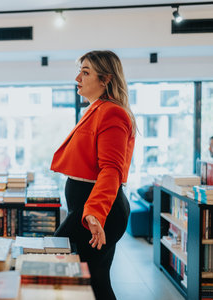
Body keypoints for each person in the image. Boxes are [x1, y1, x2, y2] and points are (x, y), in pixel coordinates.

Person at [51, 50, 136, 300]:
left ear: (105, 79)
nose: (78, 78)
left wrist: (94, 213)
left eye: (85, 72)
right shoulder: (96, 109)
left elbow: (111, 170)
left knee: (58, 262)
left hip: (98, 211)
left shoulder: (112, 113)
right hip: (91, 209)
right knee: (96, 279)